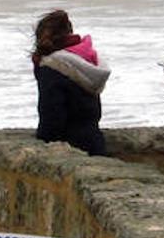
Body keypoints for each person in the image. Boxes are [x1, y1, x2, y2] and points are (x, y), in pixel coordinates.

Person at [32, 9, 108, 156]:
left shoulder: (52, 67)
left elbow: (52, 117)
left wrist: (42, 141)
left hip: (70, 149)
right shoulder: (87, 62)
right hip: (94, 142)